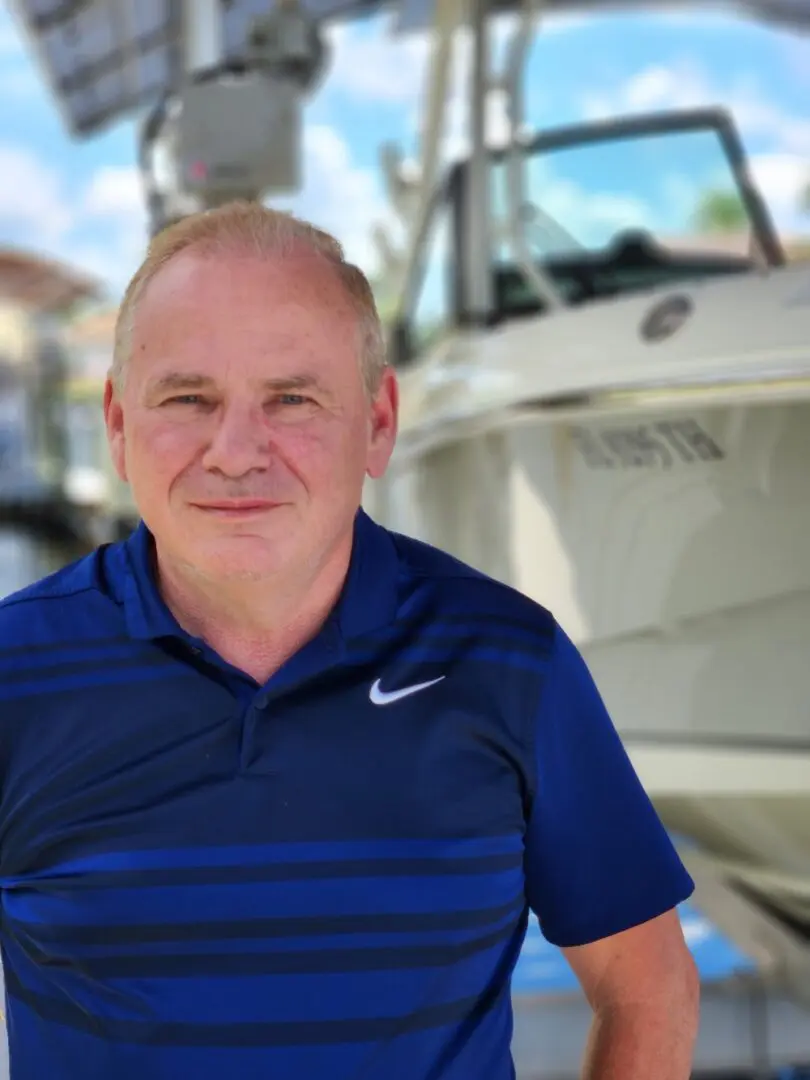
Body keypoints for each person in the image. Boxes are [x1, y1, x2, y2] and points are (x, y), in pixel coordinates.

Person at [0, 201, 699, 1080]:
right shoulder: (15, 673)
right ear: (116, 424)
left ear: (377, 422)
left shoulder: (508, 662)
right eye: (188, 398)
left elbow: (647, 988)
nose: (235, 450)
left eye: (291, 399)